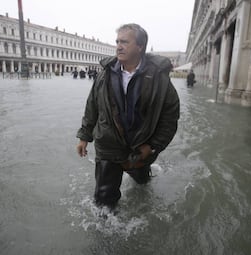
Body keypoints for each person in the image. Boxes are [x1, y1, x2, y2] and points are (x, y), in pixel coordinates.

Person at [76, 23, 180, 209]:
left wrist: (153, 146)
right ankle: (105, 233)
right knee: (104, 201)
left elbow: (169, 118)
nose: (118, 46)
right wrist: (85, 136)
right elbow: (92, 105)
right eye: (117, 41)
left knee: (142, 183)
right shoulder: (105, 74)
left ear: (140, 46)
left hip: (140, 146)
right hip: (108, 144)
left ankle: (141, 179)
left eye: (124, 42)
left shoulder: (159, 79)